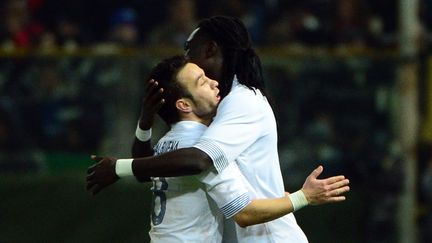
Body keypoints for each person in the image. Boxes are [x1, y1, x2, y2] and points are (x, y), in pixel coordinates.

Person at [87, 16, 349, 242]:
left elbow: (195, 160)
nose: (186, 57)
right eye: (201, 82)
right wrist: (303, 197)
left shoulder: (239, 102)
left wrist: (119, 166)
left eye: (190, 51)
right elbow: (237, 205)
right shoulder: (197, 135)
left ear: (210, 49)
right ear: (184, 104)